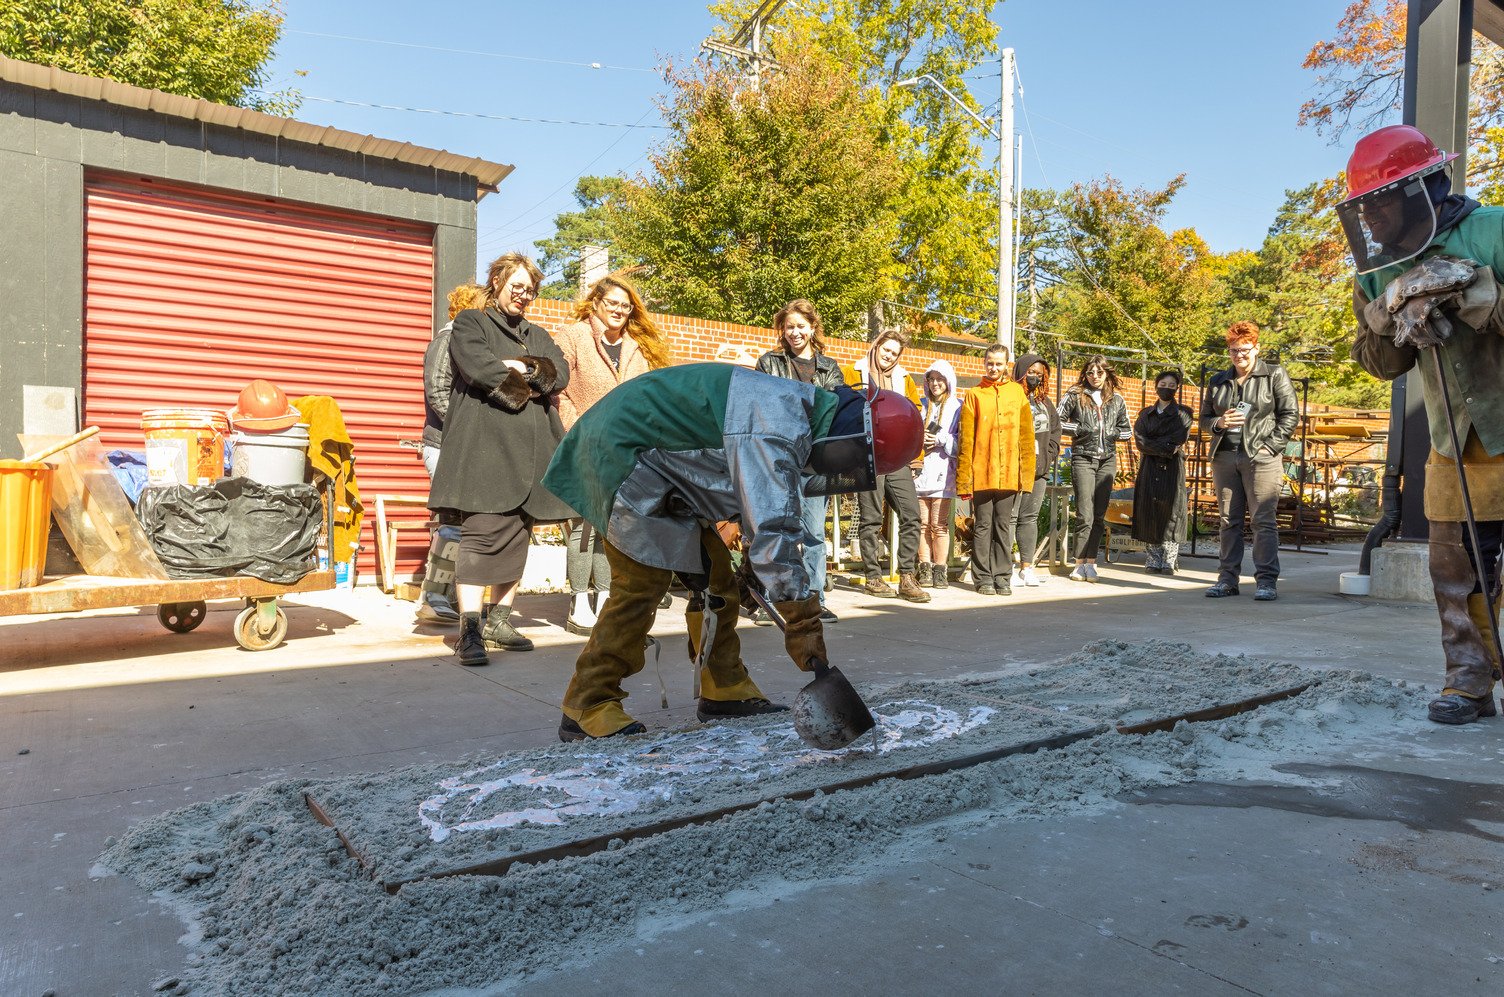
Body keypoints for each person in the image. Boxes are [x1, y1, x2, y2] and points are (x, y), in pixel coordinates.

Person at [542, 362, 922, 740]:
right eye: (854, 460)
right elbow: (774, 527)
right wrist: (801, 617)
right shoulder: (777, 426)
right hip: (620, 453)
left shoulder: (798, 413)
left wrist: (755, 567)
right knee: (641, 584)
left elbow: (754, 499)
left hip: (662, 464)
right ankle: (587, 701)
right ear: (852, 439)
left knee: (716, 581)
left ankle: (723, 688)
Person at [1342, 124, 1504, 724]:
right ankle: (1469, 681)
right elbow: (1381, 364)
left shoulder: (1494, 232)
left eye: (1379, 202)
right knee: (1457, 571)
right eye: (1362, 207)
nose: (1371, 219)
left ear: (1422, 190)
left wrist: (1473, 295)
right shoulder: (1377, 273)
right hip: (1453, 443)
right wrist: (1387, 320)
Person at [429, 252, 573, 666]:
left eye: (530, 290)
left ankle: (500, 619)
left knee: (517, 534)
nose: (524, 295)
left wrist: (521, 365)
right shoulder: (471, 323)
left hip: (530, 454)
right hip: (484, 450)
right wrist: (529, 379)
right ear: (498, 281)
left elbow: (559, 372)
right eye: (518, 286)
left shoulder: (538, 332)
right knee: (480, 536)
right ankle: (470, 629)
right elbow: (478, 367)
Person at [554, 275, 671, 635]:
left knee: (612, 527)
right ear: (596, 304)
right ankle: (578, 602)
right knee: (582, 524)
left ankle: (605, 598)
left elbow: (644, 400)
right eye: (613, 303)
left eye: (625, 305)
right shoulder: (573, 337)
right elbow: (559, 393)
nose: (619, 310)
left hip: (623, 451)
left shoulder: (635, 349)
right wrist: (581, 431)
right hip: (583, 444)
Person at [756, 299, 845, 623]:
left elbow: (835, 410)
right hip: (778, 458)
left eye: (800, 326)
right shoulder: (769, 363)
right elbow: (761, 408)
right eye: (789, 326)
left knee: (813, 534)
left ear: (812, 327)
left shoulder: (829, 368)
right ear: (783, 329)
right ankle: (776, 600)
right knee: (778, 530)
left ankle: (815, 600)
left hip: (815, 461)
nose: (795, 332)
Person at [1198, 321, 1298, 602]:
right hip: (1225, 457)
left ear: (1256, 347)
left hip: (1261, 458)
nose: (1238, 355)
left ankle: (1266, 581)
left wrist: (1270, 447)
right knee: (1228, 520)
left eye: (1244, 349)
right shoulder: (1218, 381)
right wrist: (1220, 421)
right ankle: (1227, 580)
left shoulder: (1274, 375)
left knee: (1262, 520)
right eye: (1233, 350)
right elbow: (1204, 418)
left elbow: (1290, 414)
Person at [416, 282, 487, 625]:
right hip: (444, 446)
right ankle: (433, 597)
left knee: (467, 522)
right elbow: (438, 392)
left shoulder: (471, 346)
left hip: (462, 447)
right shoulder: (446, 340)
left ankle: (455, 598)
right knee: (454, 520)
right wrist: (469, 432)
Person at [843, 330, 928, 602]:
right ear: (876, 345)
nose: (888, 355)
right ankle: (873, 577)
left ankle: (906, 576)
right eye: (885, 349)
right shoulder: (852, 373)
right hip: (866, 456)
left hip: (898, 458)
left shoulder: (904, 380)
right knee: (870, 519)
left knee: (912, 515)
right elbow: (841, 412)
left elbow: (915, 420)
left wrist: (917, 456)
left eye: (894, 352)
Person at [956, 344, 1035, 595]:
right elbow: (965, 440)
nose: (994, 367)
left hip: (1010, 473)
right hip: (981, 472)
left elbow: (1026, 437)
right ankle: (982, 578)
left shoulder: (1017, 394)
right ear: (984, 363)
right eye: (990, 362)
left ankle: (1002, 576)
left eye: (999, 363)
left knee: (1003, 525)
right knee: (982, 526)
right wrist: (964, 480)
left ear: (1007, 365)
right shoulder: (974, 394)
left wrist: (1026, 477)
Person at [1057, 355, 1132, 582]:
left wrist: (1112, 433)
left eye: (1100, 373)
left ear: (1107, 373)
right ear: (1085, 374)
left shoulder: (1116, 399)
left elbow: (1127, 431)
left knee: (1099, 514)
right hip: (1083, 457)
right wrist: (1080, 428)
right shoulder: (1075, 395)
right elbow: (1057, 421)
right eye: (1091, 373)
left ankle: (1092, 563)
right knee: (1084, 513)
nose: (1095, 377)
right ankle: (1079, 563)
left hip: (1107, 459)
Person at [1132, 370, 1193, 575]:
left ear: (1177, 388)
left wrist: (1156, 443)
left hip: (1173, 467)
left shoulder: (1184, 413)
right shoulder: (1145, 414)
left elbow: (1178, 438)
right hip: (1149, 466)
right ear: (1156, 385)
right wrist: (1164, 446)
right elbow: (1140, 442)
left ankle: (1169, 559)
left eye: (1171, 385)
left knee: (1172, 509)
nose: (1166, 388)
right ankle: (1152, 558)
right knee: (1149, 508)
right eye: (1163, 384)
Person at [1011, 353, 1062, 587]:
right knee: (1009, 518)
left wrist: (1049, 455)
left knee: (1028, 518)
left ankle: (1026, 567)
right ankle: (1006, 565)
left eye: (1039, 374)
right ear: (1021, 371)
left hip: (1039, 469)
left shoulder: (1045, 403)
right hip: (1013, 467)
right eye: (1030, 372)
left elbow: (1055, 432)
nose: (1034, 377)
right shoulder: (1011, 396)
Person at [913, 359, 962, 588]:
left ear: (948, 380)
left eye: (940, 379)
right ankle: (924, 567)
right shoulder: (921, 405)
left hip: (943, 473)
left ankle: (940, 569)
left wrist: (940, 438)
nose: (935, 384)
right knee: (922, 524)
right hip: (921, 473)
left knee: (939, 524)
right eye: (931, 379)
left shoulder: (957, 407)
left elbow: (963, 443)